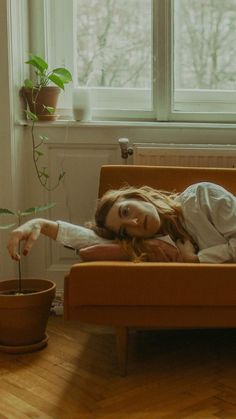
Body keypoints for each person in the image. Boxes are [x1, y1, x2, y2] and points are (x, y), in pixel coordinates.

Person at [7, 181, 236, 263]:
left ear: (137, 196)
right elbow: (90, 240)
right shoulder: (158, 245)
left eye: (126, 211)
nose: (135, 222)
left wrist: (197, 260)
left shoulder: (201, 195)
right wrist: (41, 224)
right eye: (126, 231)